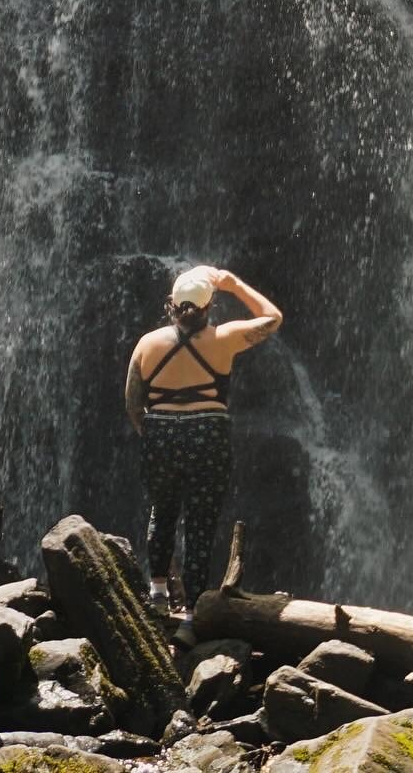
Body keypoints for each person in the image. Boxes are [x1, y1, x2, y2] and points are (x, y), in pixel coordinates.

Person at [124, 265, 282, 627]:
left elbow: (133, 404)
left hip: (160, 433)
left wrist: (155, 437)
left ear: (171, 305)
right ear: (209, 306)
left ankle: (158, 596)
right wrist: (235, 283)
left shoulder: (147, 343)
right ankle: (192, 614)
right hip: (207, 435)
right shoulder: (224, 339)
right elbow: (273, 318)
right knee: (200, 522)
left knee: (162, 513)